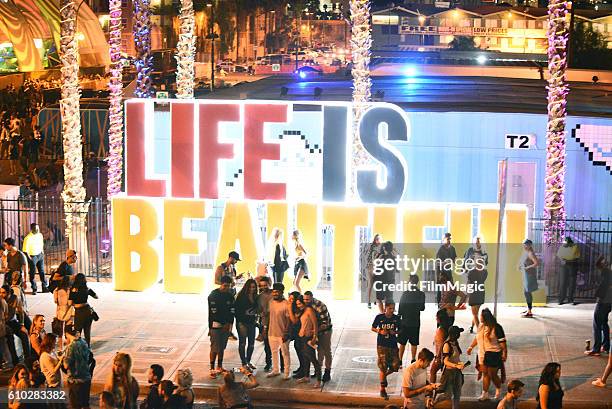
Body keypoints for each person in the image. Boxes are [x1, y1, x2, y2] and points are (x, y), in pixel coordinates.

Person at [467, 308, 508, 401]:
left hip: (493, 354)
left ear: (485, 318)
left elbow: (503, 343)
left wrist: (504, 353)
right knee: (485, 374)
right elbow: (477, 338)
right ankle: (485, 394)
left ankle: (498, 389)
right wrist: (471, 347)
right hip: (482, 354)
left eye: (481, 316)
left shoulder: (496, 327)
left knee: (492, 374)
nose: (479, 317)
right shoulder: (481, 326)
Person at [371, 301, 401, 400]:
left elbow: (400, 330)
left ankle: (384, 376)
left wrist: (395, 332)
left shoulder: (396, 319)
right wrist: (380, 331)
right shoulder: (379, 318)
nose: (392, 311)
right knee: (383, 367)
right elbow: (373, 328)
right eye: (390, 308)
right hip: (382, 345)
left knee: (395, 365)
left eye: (393, 309)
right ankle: (382, 388)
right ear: (385, 308)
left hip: (393, 345)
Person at [434, 326, 469, 409]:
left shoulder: (455, 343)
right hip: (449, 373)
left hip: (457, 372)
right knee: (447, 395)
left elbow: (456, 358)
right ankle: (433, 402)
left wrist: (461, 364)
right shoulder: (447, 345)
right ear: (454, 334)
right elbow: (445, 361)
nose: (459, 335)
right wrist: (456, 365)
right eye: (458, 333)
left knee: (457, 393)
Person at [303, 291, 333, 383]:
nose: (305, 301)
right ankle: (318, 371)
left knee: (326, 351)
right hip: (315, 332)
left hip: (325, 332)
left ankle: (327, 372)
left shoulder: (320, 306)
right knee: (319, 352)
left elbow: (325, 324)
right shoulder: (305, 306)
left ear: (312, 297)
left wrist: (314, 331)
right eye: (304, 299)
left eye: (307, 299)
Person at [208, 275, 235, 378]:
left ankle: (219, 366)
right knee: (214, 347)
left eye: (228, 286)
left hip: (226, 325)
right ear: (221, 284)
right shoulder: (213, 295)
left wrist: (229, 324)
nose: (226, 288)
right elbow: (214, 312)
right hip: (216, 325)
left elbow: (232, 311)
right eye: (224, 286)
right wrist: (224, 323)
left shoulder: (230, 296)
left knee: (222, 347)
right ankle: (212, 368)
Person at [291, 295, 321, 388]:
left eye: (300, 303)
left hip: (308, 338)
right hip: (302, 337)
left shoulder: (309, 310)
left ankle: (319, 380)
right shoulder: (302, 311)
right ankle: (306, 376)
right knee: (305, 358)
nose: (299, 305)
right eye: (297, 304)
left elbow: (315, 324)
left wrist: (314, 337)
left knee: (312, 359)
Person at [398, 274, 425, 366]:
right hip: (415, 322)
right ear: (417, 282)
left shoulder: (405, 293)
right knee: (414, 343)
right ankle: (413, 360)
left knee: (402, 343)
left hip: (405, 321)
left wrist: (399, 317)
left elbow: (400, 307)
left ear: (410, 282)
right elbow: (422, 308)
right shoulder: (421, 294)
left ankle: (400, 360)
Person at [63, 328, 93, 409]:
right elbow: (90, 357)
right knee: (85, 404)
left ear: (67, 335)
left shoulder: (70, 347)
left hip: (75, 381)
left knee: (75, 405)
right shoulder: (84, 342)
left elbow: (66, 365)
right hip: (86, 378)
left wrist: (61, 358)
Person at [586, 256, 610, 357]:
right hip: (609, 301)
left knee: (597, 324)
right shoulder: (608, 271)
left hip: (604, 300)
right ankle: (605, 346)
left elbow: (598, 264)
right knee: (604, 323)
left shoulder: (606, 272)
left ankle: (596, 349)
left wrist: (598, 294)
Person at [266, 282, 291, 379]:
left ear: (282, 292)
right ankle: (275, 370)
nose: (275, 294)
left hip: (282, 333)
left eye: (277, 292)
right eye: (274, 292)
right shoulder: (271, 302)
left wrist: (286, 332)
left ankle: (286, 372)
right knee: (274, 351)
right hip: (271, 332)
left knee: (285, 353)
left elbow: (289, 320)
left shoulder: (286, 304)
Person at [1, 285, 30, 364]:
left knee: (24, 334)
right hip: (3, 323)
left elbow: (21, 312)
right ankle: (15, 361)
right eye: (0, 292)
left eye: (3, 293)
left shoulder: (15, 298)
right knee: (10, 337)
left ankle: (28, 358)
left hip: (12, 321)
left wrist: (22, 324)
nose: (1, 294)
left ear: (9, 293)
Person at [234, 279, 258, 372]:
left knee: (251, 344)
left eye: (254, 287)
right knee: (242, 343)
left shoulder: (256, 297)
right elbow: (236, 311)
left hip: (252, 323)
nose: (252, 289)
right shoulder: (241, 296)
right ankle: (244, 363)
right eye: (251, 287)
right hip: (242, 323)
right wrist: (242, 319)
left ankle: (248, 361)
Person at [69, 273, 98, 346]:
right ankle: (88, 348)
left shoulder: (73, 290)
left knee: (77, 332)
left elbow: (70, 303)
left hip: (79, 312)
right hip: (88, 310)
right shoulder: (87, 289)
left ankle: (77, 349)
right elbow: (96, 296)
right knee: (87, 332)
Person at [465, 238, 488, 333]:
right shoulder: (485, 272)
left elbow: (469, 281)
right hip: (481, 292)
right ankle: (471, 326)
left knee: (474, 314)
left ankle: (480, 332)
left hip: (474, 293)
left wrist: (467, 293)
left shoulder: (471, 272)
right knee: (476, 312)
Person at [256, 276, 274, 372]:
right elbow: (258, 310)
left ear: (269, 284)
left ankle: (281, 364)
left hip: (275, 323)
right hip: (265, 323)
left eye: (265, 285)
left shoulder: (274, 294)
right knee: (267, 344)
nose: (264, 287)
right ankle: (268, 363)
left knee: (277, 344)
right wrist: (261, 313)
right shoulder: (259, 297)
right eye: (262, 285)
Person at [22, 223, 47, 294]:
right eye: (36, 229)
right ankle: (34, 288)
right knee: (32, 273)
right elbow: (25, 250)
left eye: (38, 228)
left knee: (42, 271)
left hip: (40, 255)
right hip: (33, 256)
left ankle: (44, 287)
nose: (37, 230)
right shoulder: (28, 238)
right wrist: (30, 258)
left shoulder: (40, 235)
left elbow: (41, 244)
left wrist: (42, 253)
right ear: (32, 229)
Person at [374, 241, 397, 313]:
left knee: (379, 298)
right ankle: (388, 313)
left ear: (384, 248)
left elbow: (376, 267)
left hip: (381, 280)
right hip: (391, 280)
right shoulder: (394, 258)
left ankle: (382, 313)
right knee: (389, 298)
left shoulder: (381, 257)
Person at [556, 237, 580, 305]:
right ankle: (561, 299)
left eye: (567, 244)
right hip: (563, 266)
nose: (565, 245)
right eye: (565, 243)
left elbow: (575, 256)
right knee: (562, 283)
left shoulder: (575, 247)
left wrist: (566, 259)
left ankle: (570, 299)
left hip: (572, 265)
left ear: (570, 243)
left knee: (572, 283)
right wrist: (563, 259)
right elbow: (559, 255)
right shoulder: (563, 246)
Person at [430, 309, 451, 384]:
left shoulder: (441, 330)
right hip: (445, 354)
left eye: (437, 317)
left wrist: (437, 357)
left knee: (432, 371)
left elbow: (441, 345)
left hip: (441, 355)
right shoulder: (447, 328)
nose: (436, 318)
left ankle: (431, 389)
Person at [436, 233, 457, 305]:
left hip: (449, 273)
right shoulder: (440, 249)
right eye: (447, 239)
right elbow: (438, 263)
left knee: (451, 290)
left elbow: (454, 261)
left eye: (450, 239)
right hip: (442, 274)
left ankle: (450, 306)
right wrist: (444, 263)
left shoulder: (452, 249)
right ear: (443, 240)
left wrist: (453, 261)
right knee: (442, 293)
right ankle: (440, 307)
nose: (449, 241)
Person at [520, 240, 539, 318]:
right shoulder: (527, 252)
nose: (524, 246)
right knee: (526, 292)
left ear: (529, 245)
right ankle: (528, 308)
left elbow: (536, 263)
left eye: (525, 245)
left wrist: (527, 267)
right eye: (523, 245)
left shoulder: (531, 253)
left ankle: (529, 311)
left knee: (527, 292)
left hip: (530, 275)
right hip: (527, 274)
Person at [53, 275, 73, 348]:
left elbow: (55, 301)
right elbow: (70, 302)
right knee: (68, 330)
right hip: (68, 311)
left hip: (59, 311)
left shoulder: (57, 290)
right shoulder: (69, 290)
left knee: (60, 332)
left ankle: (60, 347)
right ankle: (68, 347)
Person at [363, 234, 382, 309]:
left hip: (374, 267)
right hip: (370, 267)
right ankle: (369, 301)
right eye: (378, 239)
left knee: (374, 283)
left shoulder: (377, 247)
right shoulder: (373, 247)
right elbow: (372, 258)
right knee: (371, 283)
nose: (379, 241)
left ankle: (373, 300)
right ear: (375, 239)